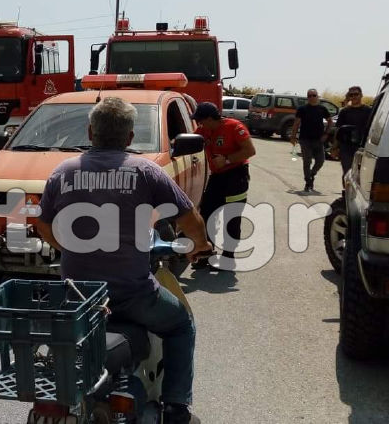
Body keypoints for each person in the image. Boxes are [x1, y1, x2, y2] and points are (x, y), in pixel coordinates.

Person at [34, 96, 212, 424]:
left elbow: (42, 224)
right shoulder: (145, 171)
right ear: (130, 137)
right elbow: (190, 219)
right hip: (132, 294)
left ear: (90, 132)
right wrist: (199, 245)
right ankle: (176, 407)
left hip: (79, 297)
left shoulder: (64, 171)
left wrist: (66, 247)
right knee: (181, 325)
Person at [189, 102, 256, 267]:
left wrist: (227, 160)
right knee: (206, 213)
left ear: (210, 118)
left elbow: (250, 150)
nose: (199, 124)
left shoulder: (234, 127)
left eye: (200, 120)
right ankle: (205, 253)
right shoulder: (204, 130)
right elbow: (191, 142)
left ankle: (228, 257)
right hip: (217, 177)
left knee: (231, 217)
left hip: (236, 175)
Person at [290, 89, 333, 192]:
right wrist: (293, 136)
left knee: (320, 161)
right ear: (307, 97)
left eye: (314, 95)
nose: (312, 97)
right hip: (305, 139)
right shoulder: (302, 109)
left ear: (317, 96)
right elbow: (296, 123)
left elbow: (330, 121)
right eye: (309, 96)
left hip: (319, 140)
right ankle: (308, 182)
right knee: (307, 161)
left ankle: (312, 174)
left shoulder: (322, 109)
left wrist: (326, 134)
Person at [331, 86, 372, 188]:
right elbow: (338, 130)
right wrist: (334, 147)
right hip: (346, 146)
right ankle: (346, 193)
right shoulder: (344, 111)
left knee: (360, 173)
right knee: (347, 172)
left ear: (361, 95)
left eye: (356, 94)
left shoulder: (368, 111)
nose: (354, 96)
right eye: (351, 95)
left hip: (362, 146)